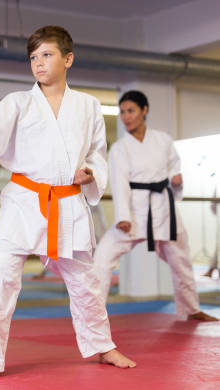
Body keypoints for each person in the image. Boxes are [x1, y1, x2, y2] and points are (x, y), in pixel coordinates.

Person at [0, 25, 136, 382]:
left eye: (47, 55)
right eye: (33, 57)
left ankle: (102, 345)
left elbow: (97, 152)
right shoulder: (18, 102)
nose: (39, 63)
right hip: (23, 202)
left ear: (68, 58)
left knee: (86, 283)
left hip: (67, 203)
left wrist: (90, 172)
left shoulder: (89, 106)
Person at [92, 90, 217, 322]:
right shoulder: (120, 148)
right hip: (134, 211)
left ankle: (191, 309)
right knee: (103, 255)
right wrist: (123, 215)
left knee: (181, 261)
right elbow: (120, 183)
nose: (126, 116)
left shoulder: (163, 140)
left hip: (164, 207)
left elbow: (173, 166)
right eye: (122, 112)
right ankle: (93, 313)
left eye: (131, 110)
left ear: (144, 110)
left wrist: (176, 180)